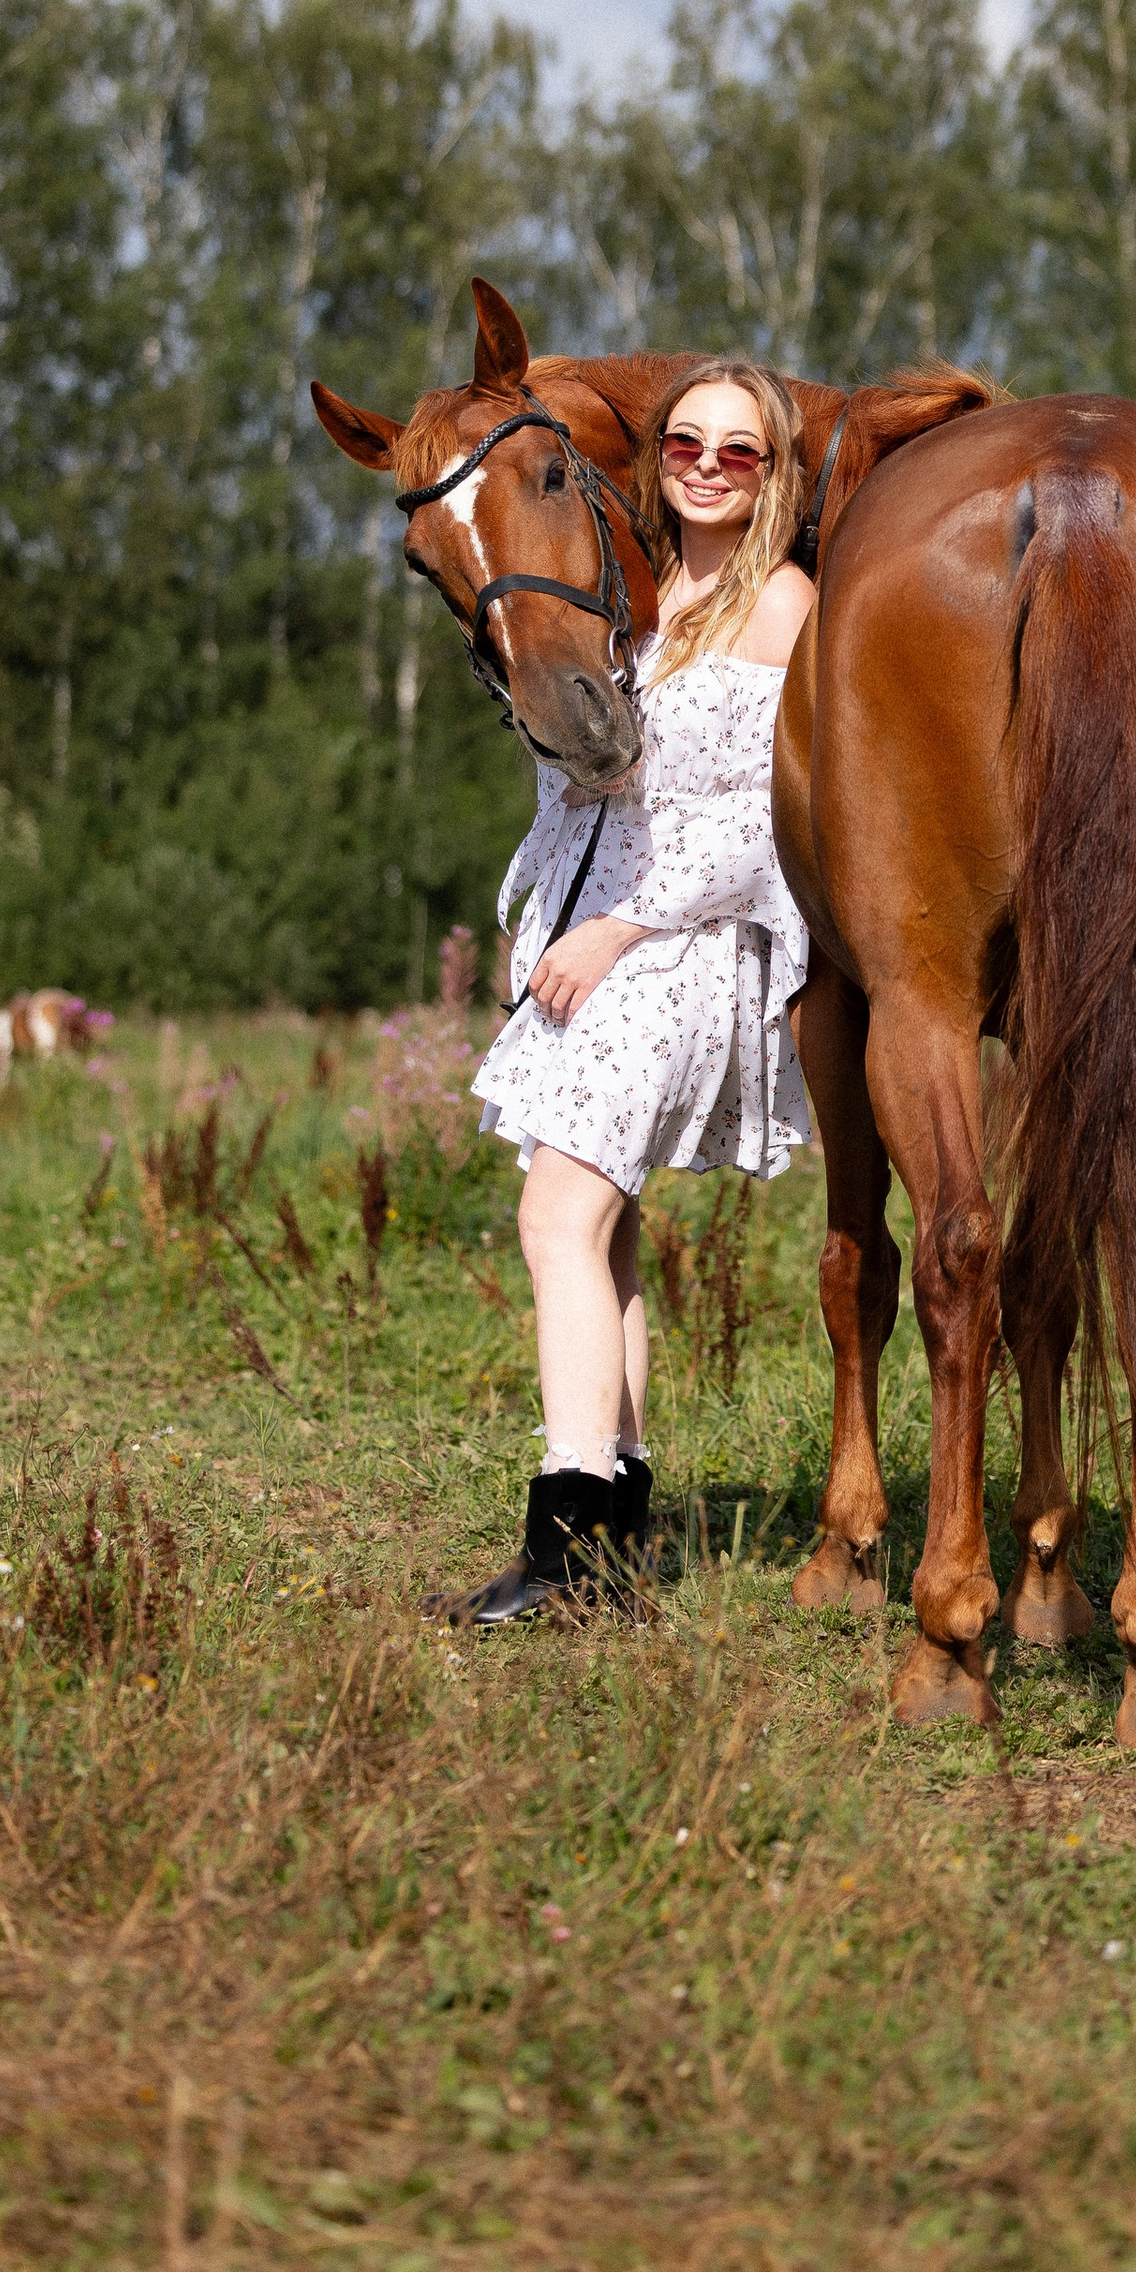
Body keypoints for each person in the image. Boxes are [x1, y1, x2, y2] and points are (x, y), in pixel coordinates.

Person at [453, 356, 816, 1624]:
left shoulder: (781, 605)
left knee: (556, 1216)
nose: (707, 467)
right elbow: (597, 777)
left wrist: (616, 929)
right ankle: (613, 1533)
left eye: (738, 450)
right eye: (685, 444)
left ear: (773, 473)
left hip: (683, 948)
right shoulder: (639, 594)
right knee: (601, 1231)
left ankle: (563, 1547)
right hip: (590, 941)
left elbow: (767, 819)